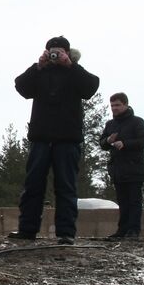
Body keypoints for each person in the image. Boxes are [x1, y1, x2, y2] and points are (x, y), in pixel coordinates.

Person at [8, 36, 100, 243]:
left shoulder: (75, 73)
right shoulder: (40, 72)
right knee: (33, 186)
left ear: (67, 52)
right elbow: (21, 87)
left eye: (59, 51)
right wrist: (37, 66)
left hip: (67, 140)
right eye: (51, 50)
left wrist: (70, 66)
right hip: (41, 138)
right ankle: (27, 229)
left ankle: (66, 233)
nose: (55, 54)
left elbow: (91, 88)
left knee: (66, 187)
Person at [99, 92, 144, 240]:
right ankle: (122, 230)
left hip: (134, 169)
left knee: (134, 201)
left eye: (117, 105)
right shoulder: (110, 124)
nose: (114, 108)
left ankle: (133, 230)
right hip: (117, 170)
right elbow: (102, 143)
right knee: (122, 202)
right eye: (112, 105)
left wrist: (125, 144)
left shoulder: (137, 122)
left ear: (126, 105)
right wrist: (108, 140)